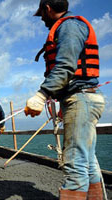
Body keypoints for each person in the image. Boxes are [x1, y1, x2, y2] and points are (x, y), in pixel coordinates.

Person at [26, 0, 105, 198]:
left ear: (48, 8)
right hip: (82, 98)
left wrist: (41, 94)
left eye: (42, 13)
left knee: (75, 161)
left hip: (80, 99)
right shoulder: (71, 25)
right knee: (87, 161)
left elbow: (66, 67)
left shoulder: (69, 26)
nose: (42, 18)